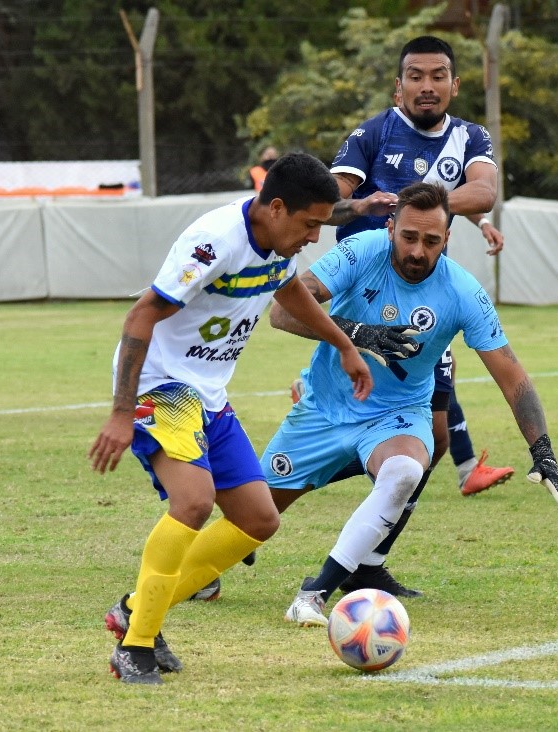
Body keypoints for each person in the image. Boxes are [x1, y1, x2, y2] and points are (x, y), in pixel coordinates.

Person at [88, 153, 374, 685]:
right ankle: (137, 644)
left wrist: (343, 344)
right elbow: (141, 313)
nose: (314, 237)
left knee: (259, 520)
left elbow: (288, 290)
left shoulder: (276, 242)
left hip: (208, 396)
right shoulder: (216, 241)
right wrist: (122, 413)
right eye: (310, 224)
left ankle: (135, 608)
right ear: (277, 207)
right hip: (161, 386)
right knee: (193, 503)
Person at [261, 182, 558, 626]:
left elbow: (512, 376)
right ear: (390, 228)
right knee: (252, 518)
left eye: (431, 241)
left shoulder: (463, 291)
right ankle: (208, 570)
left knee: (406, 470)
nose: (418, 251)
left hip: (396, 416)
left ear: (446, 240)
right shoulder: (361, 251)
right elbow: (282, 313)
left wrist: (542, 451)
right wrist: (358, 334)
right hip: (324, 408)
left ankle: (315, 592)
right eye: (409, 237)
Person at [277, 35, 515, 598]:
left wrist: (420, 208)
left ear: (455, 85)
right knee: (380, 437)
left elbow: (483, 193)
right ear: (399, 85)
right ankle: (258, 514)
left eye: (438, 76)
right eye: (416, 76)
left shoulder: (469, 136)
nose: (427, 86)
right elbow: (326, 204)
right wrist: (360, 206)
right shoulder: (371, 134)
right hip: (361, 294)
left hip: (424, 302)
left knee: (429, 440)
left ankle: (369, 558)